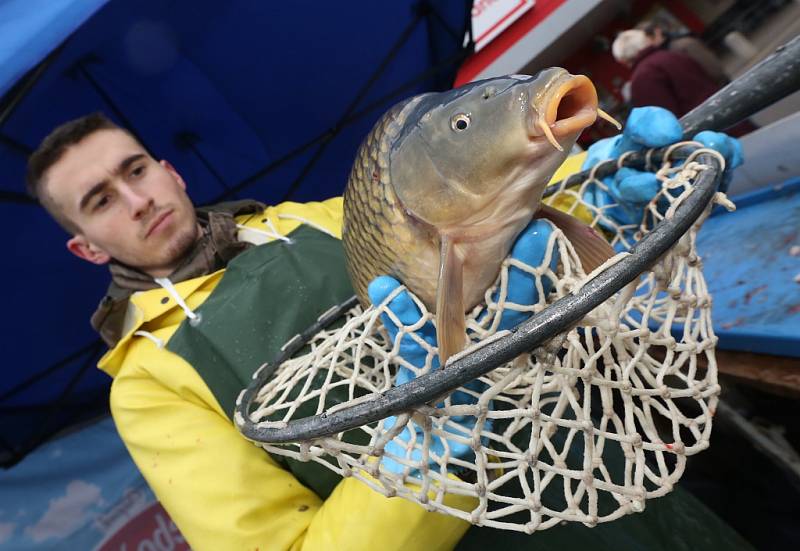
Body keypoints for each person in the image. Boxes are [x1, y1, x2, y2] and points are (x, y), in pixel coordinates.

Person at [27, 111, 750, 551]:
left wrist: (603, 193)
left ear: (170, 171)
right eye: (101, 200)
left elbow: (492, 241)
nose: (136, 199)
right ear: (86, 247)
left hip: (600, 481)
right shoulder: (149, 381)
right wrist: (431, 455)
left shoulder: (306, 220)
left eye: (136, 169)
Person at [612, 29, 721, 118]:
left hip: (702, 129)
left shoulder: (642, 78)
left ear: (623, 60)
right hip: (720, 108)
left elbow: (664, 119)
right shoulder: (671, 55)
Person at [640, 19, 728, 85]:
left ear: (657, 31)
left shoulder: (684, 44)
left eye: (647, 39)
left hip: (715, 89)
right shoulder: (657, 58)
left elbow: (714, 69)